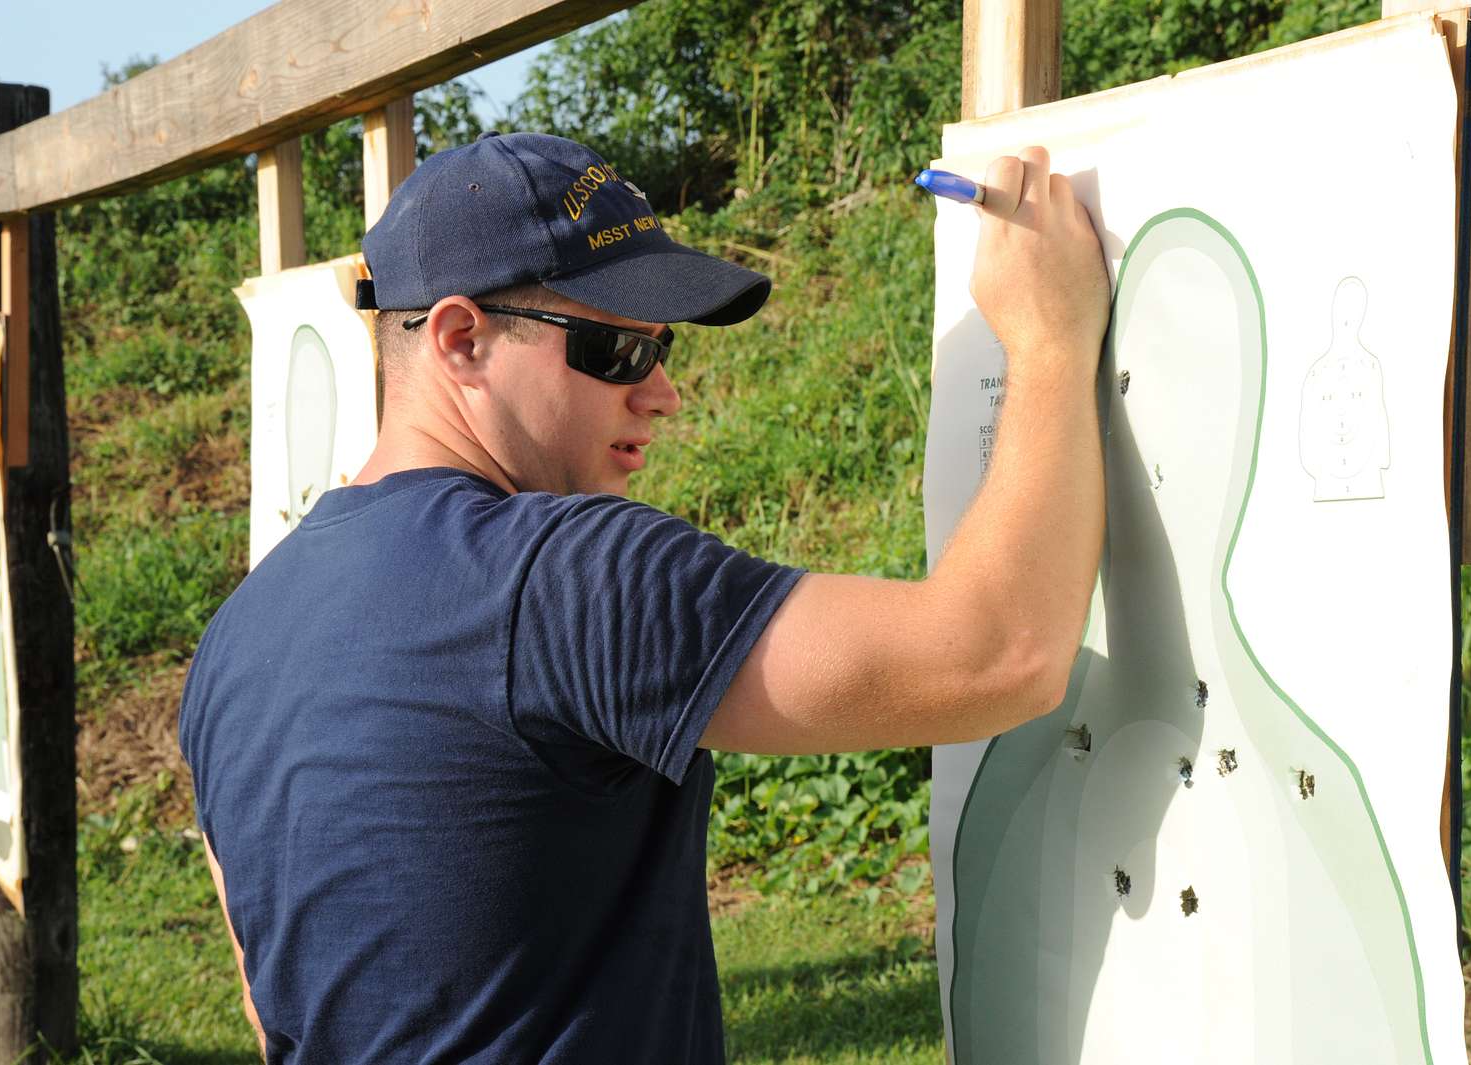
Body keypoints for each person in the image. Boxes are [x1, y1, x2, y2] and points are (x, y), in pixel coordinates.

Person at [179, 130, 1108, 1064]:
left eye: (661, 348)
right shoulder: (563, 572)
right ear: (464, 339)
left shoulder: (234, 638)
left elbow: (278, 1008)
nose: (662, 393)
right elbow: (1000, 653)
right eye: (619, 348)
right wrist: (1050, 338)